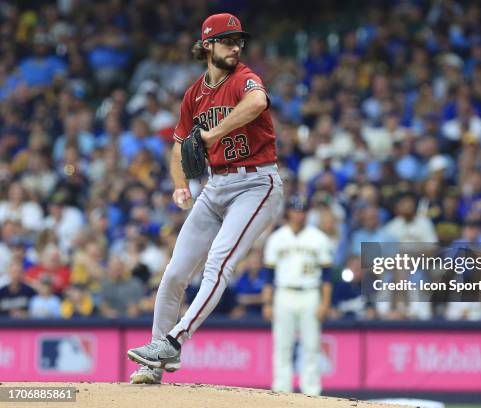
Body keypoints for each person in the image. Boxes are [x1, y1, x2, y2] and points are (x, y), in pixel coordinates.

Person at [127, 13, 283, 384]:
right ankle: (154, 364)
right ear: (208, 45)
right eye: (228, 40)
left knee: (218, 264)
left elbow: (258, 103)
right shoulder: (194, 95)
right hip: (215, 187)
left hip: (256, 184)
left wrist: (212, 134)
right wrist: (180, 183)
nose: (236, 46)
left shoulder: (245, 78)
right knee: (174, 274)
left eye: (239, 40)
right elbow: (179, 146)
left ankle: (173, 341)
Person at [262, 195, 334, 396]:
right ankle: (281, 390)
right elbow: (268, 275)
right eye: (295, 210)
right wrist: (267, 302)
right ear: (288, 213)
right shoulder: (277, 238)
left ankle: (311, 392)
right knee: (282, 345)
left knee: (311, 345)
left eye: (302, 211)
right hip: (283, 293)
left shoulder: (318, 238)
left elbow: (327, 276)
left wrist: (325, 302)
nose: (299, 214)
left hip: (310, 294)